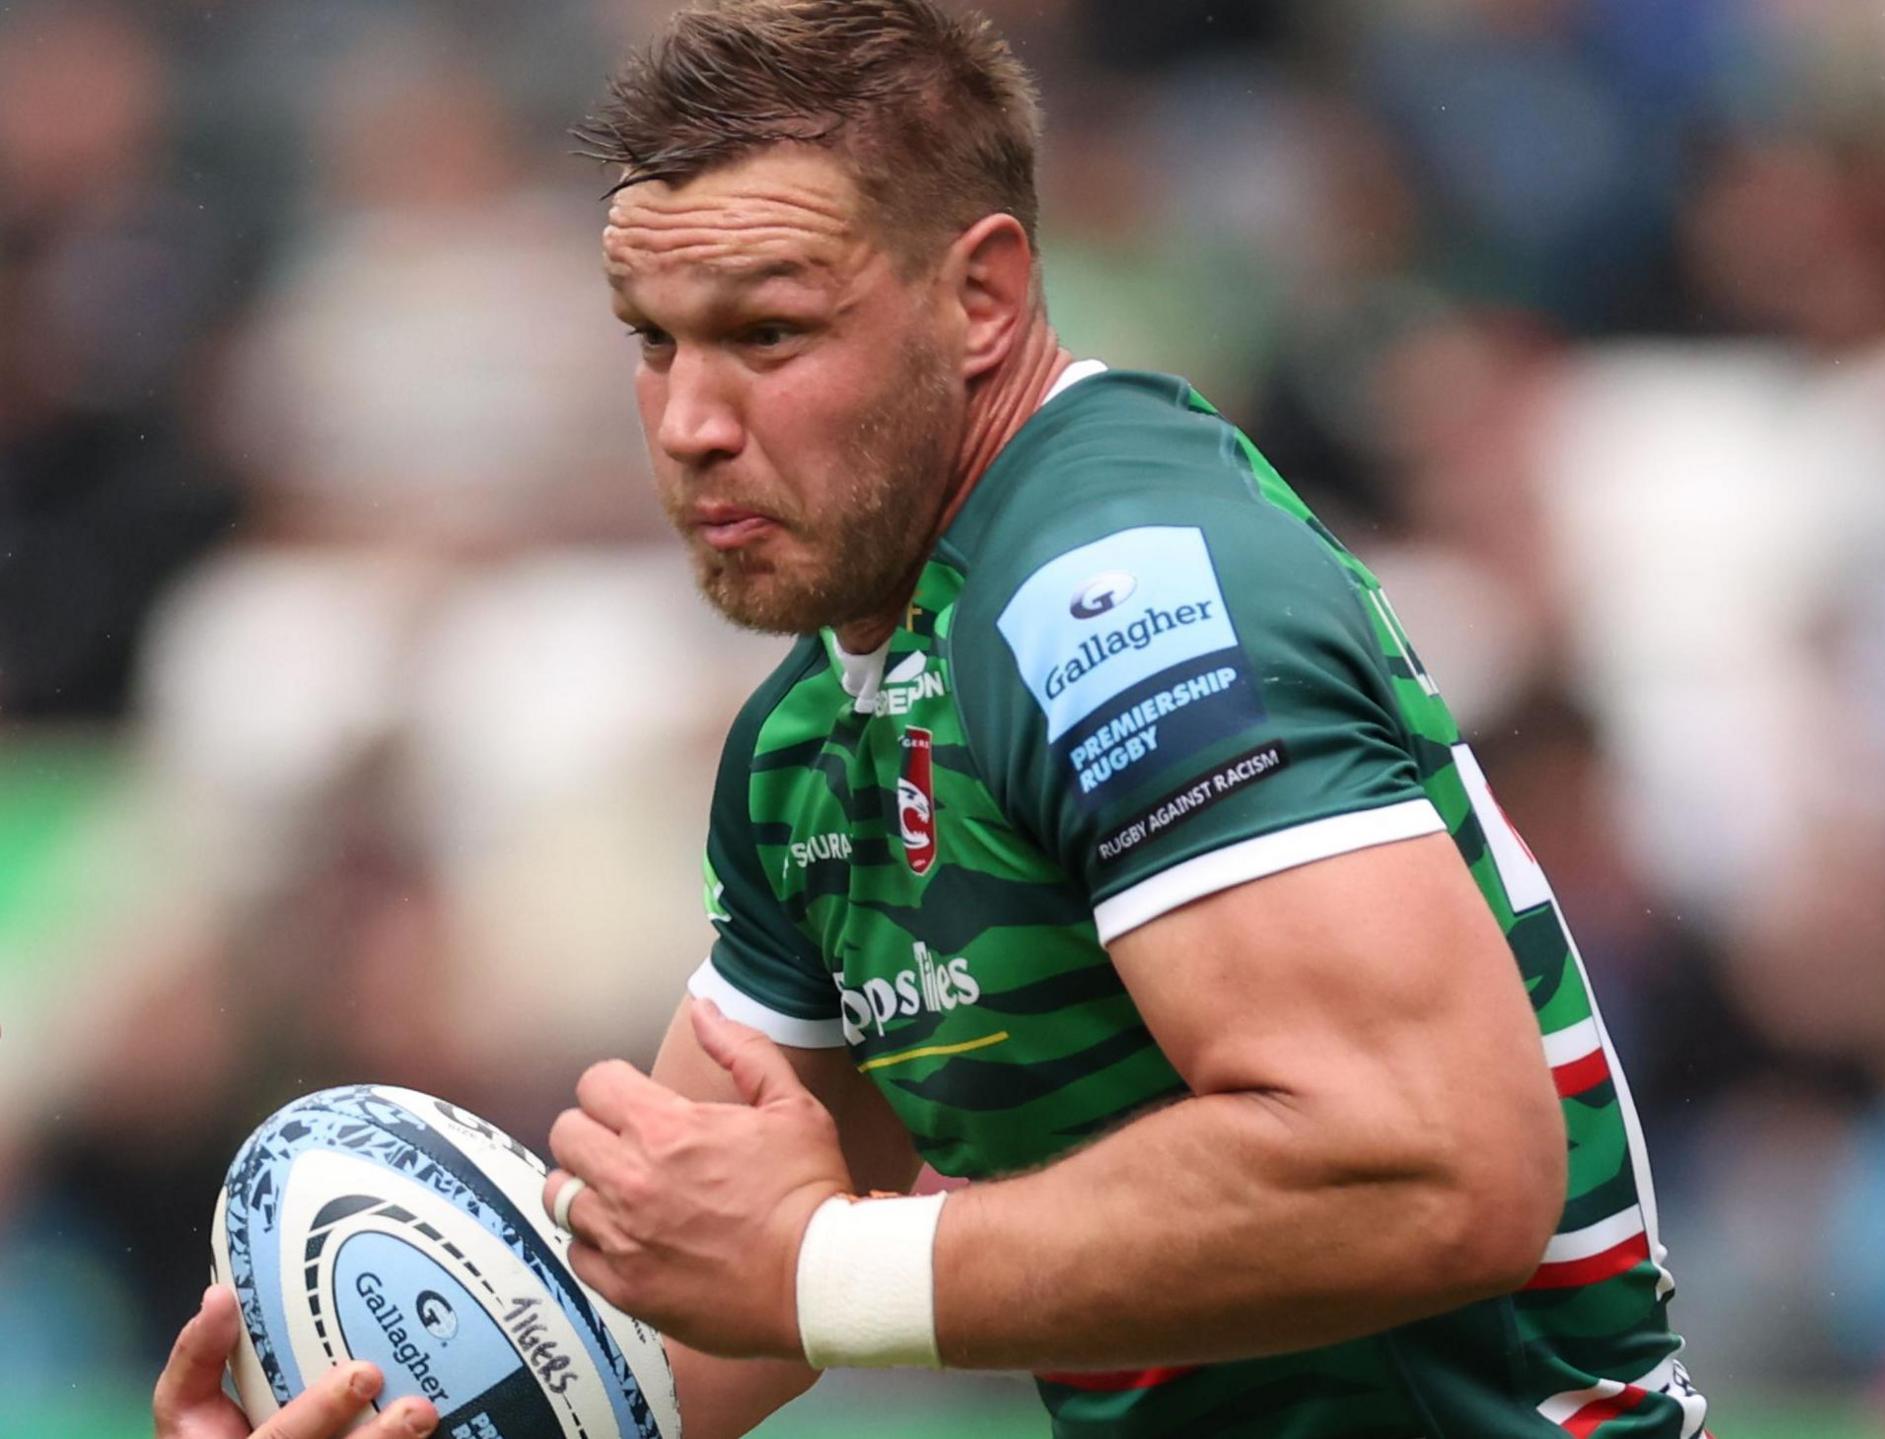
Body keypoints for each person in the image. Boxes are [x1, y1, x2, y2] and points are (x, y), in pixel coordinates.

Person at [151, 3, 1705, 1436]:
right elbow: (669, 1327)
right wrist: (377, 1410)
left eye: (766, 334)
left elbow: (1443, 1167)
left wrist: (831, 1271)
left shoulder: (1122, 606)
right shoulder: (810, 740)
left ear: (982, 295)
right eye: (651, 338)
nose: (691, 422)